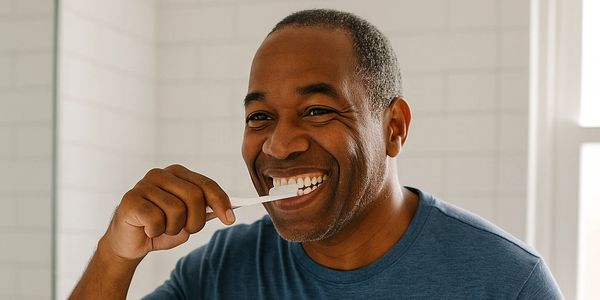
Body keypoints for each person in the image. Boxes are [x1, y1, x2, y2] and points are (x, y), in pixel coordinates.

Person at [70, 9, 563, 299]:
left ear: (393, 129)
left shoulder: (508, 282)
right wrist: (116, 255)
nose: (279, 145)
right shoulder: (221, 272)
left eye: (318, 111)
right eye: (260, 117)